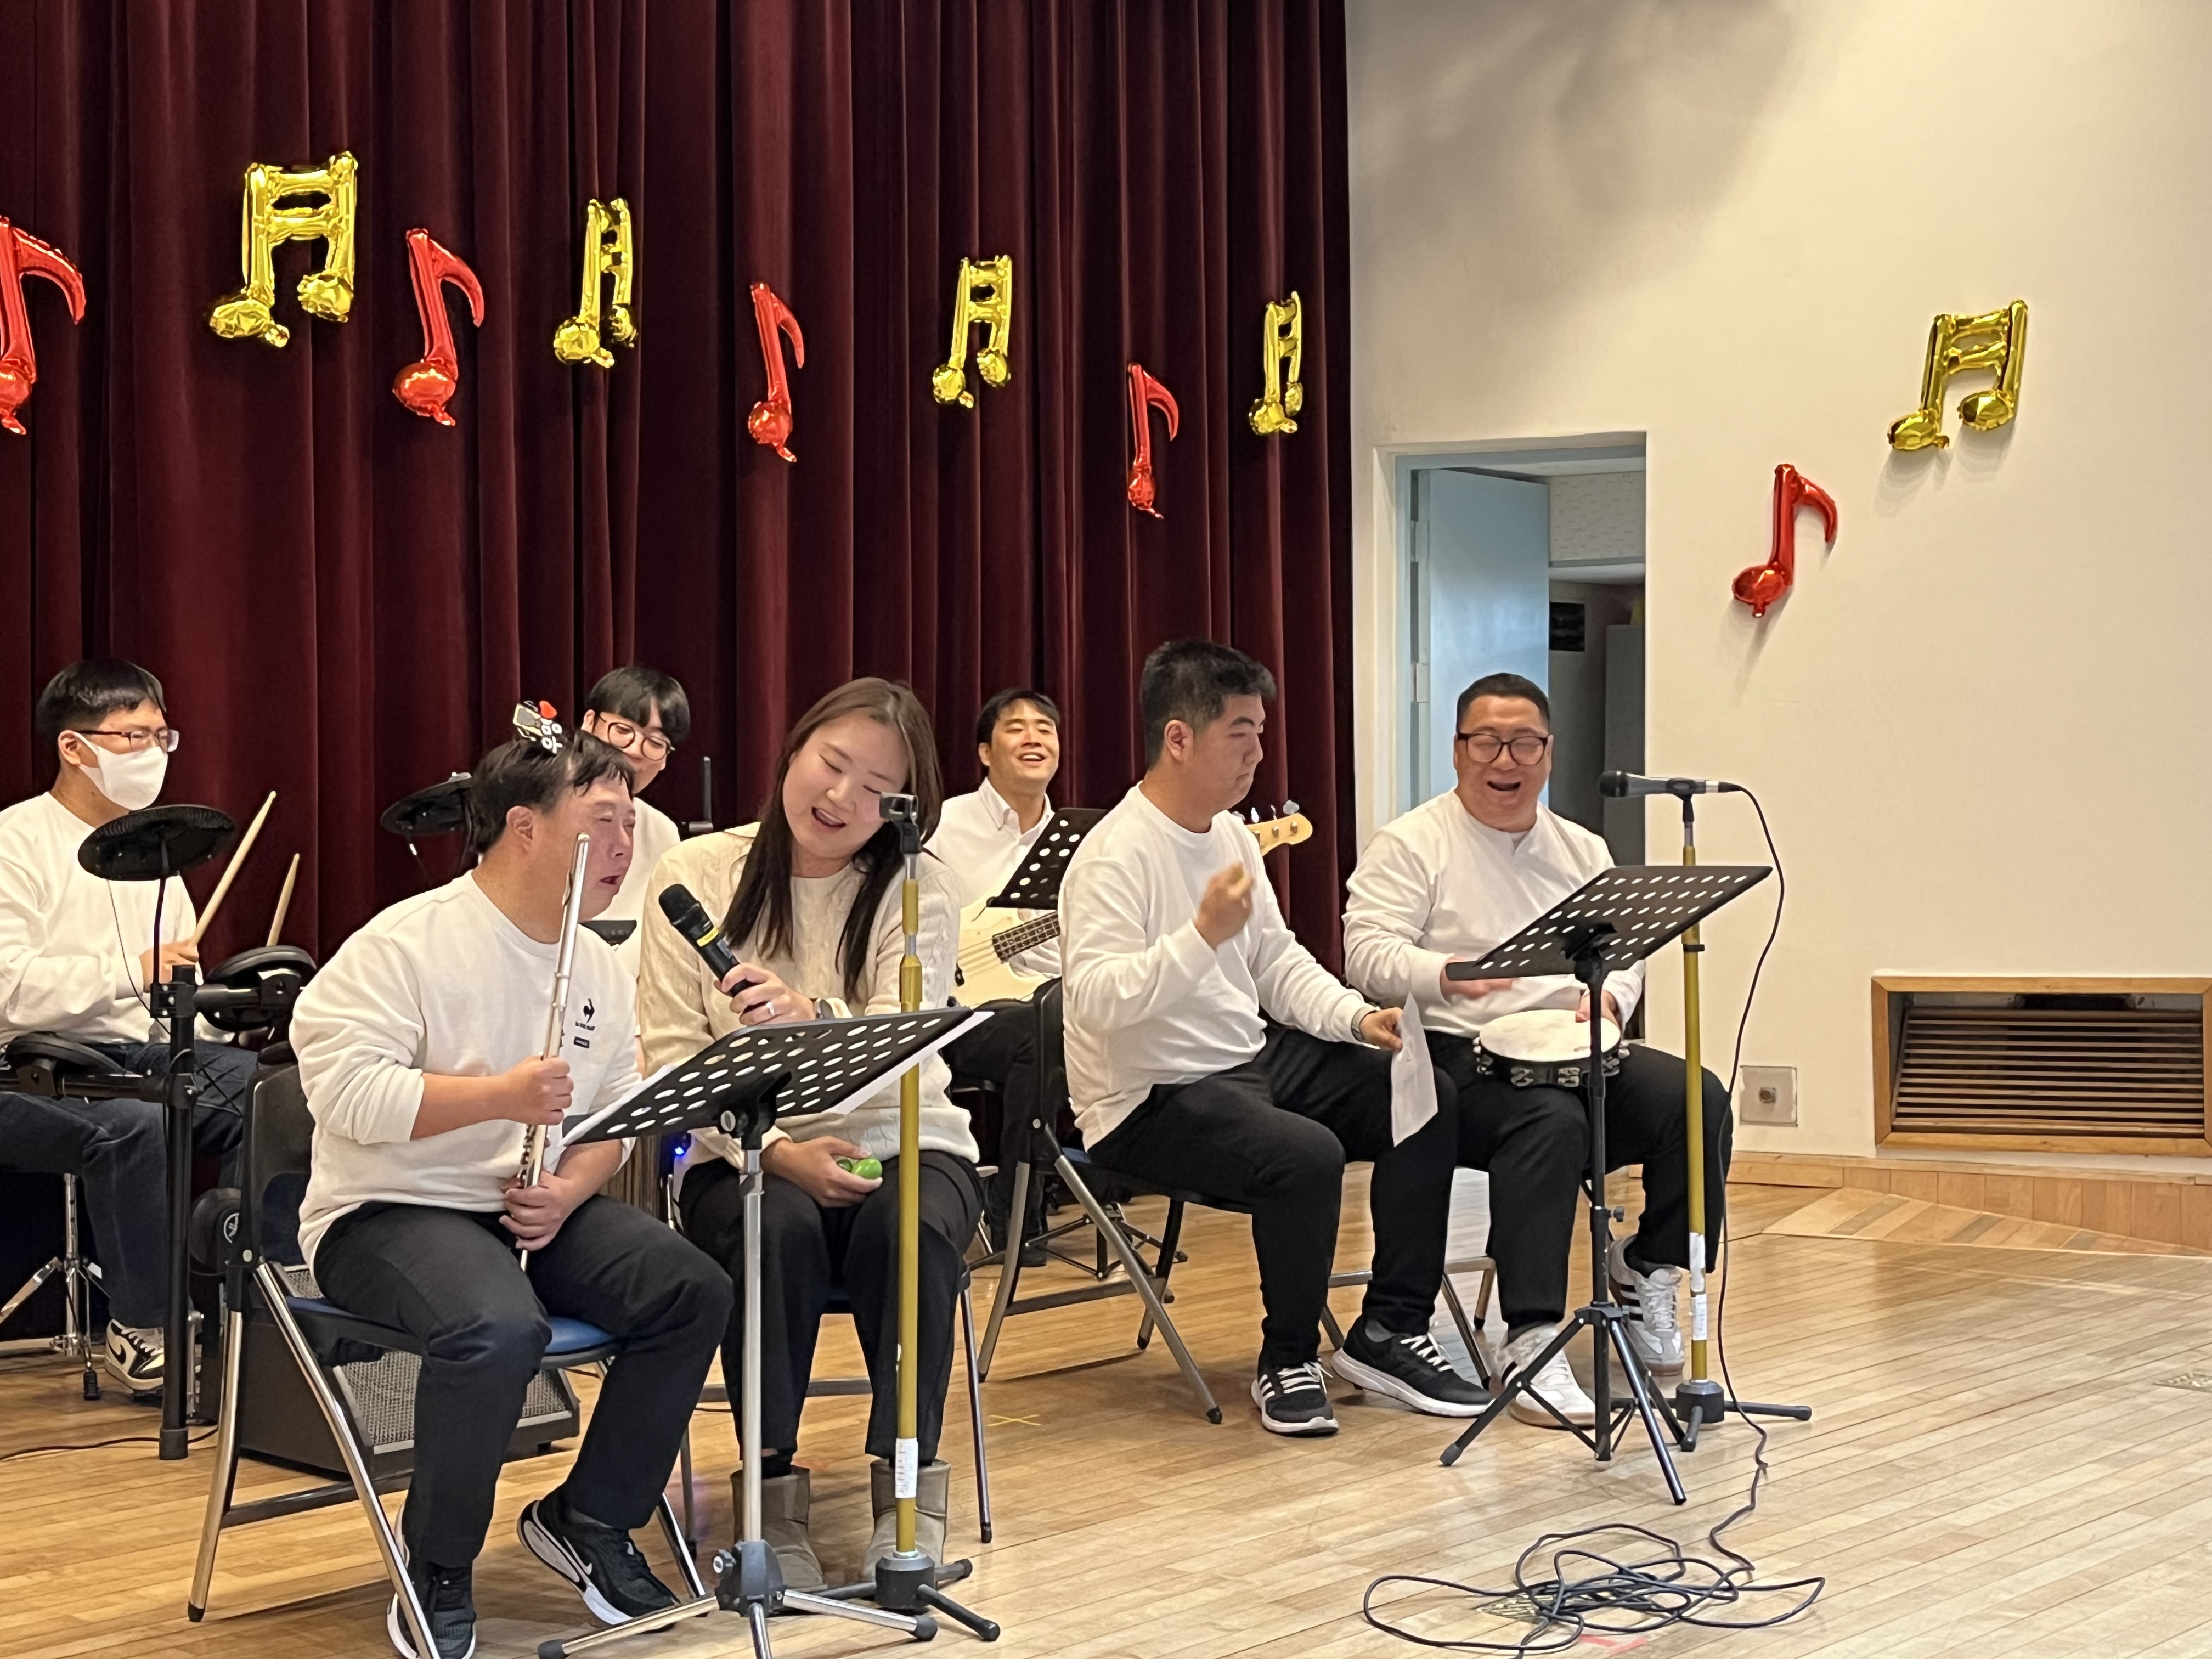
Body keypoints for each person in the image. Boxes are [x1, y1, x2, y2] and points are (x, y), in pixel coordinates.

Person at [291, 724, 732, 1659]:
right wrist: (499, 1096)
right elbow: (345, 1095)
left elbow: (615, 1115)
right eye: (603, 821)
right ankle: (438, 1562)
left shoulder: (597, 963)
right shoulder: (407, 940)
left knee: (691, 1288)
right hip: (389, 1207)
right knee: (498, 1328)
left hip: (530, 1206)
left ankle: (590, 1517)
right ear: (525, 827)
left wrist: (569, 1190)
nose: (625, 845)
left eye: (632, 823)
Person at [1057, 639, 1485, 1437]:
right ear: (1178, 738)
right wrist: (1199, 937)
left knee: (1418, 1089)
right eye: (1241, 733)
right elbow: (1096, 1002)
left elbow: (1275, 962)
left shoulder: (1226, 835)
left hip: (1243, 1060)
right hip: (1149, 1095)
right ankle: (1287, 1357)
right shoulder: (1113, 855)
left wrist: (1356, 1018)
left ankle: (1391, 1330)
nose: (1259, 752)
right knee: (1305, 1155)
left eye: (1261, 731)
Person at [639, 677, 979, 1591]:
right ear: (792, 751)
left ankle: (906, 1495)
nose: (839, 797)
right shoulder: (695, 874)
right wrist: (779, 1151)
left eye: (877, 789)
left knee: (907, 1226)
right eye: (831, 764)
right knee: (774, 1226)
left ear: (905, 807)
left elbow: (906, 1041)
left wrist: (811, 1014)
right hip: (740, 1149)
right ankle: (769, 1497)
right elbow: (672, 1055)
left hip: (905, 1137)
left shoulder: (918, 887)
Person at [1342, 671, 1732, 1429]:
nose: (1506, 760)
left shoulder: (1581, 847)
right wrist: (1447, 973)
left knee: (1697, 1097)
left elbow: (1624, 949)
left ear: (1548, 753)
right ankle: (1531, 1337)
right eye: (1487, 742)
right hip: (1461, 1058)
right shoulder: (1412, 843)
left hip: (1575, 1047)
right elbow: (1367, 955)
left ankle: (1647, 1267)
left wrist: (1610, 997)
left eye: (1525, 743)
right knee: (1551, 1122)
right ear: (1458, 750)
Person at [0, 658, 255, 1395]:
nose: (152, 752)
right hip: (27, 1066)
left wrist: (215, 1025)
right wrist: (131, 969)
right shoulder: (16, 842)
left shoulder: (157, 858)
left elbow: (170, 991)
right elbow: (10, 993)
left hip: (139, 1055)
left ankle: (252, 1313)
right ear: (74, 747)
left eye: (161, 736)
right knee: (135, 1125)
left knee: (271, 1096)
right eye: (132, 736)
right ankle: (145, 1325)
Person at [928, 687, 1062, 1266]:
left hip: (1050, 998)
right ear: (985, 752)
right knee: (1044, 1030)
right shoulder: (943, 825)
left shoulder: (1079, 841)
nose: (1034, 738)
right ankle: (1016, 1201)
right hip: (959, 1008)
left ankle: (1097, 1177)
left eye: (1046, 729)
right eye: (1016, 727)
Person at [580, 664, 690, 978]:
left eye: (655, 743)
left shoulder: (662, 832)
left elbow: (660, 938)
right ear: (589, 723)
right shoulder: (540, 811)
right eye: (623, 730)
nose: (634, 751)